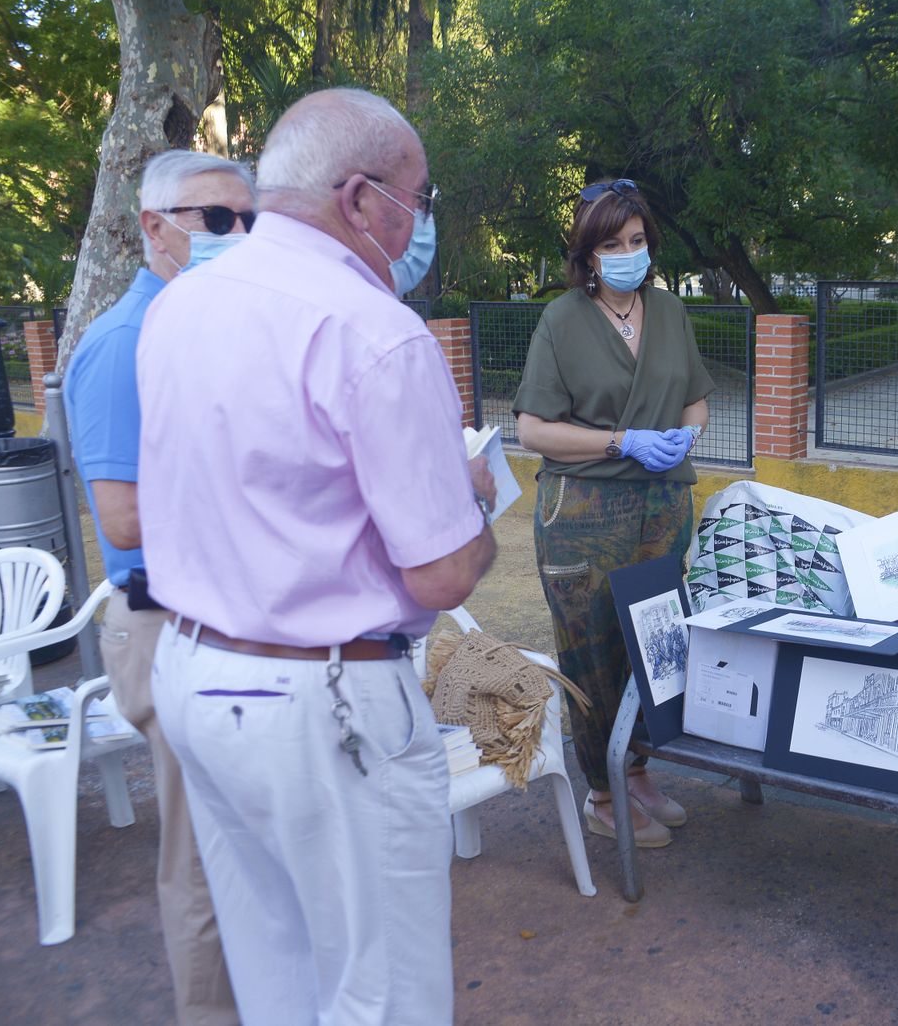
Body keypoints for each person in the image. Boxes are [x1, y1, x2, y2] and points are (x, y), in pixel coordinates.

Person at [135, 88, 496, 1024]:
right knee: (383, 995)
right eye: (419, 198)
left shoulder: (181, 304)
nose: (421, 224)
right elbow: (443, 574)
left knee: (276, 973)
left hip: (195, 671)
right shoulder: (374, 330)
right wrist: (471, 501)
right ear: (362, 198)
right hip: (324, 702)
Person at [66, 149, 249, 1026]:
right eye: (217, 219)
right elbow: (126, 518)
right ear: (154, 226)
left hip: (220, 621)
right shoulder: (122, 344)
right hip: (163, 625)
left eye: (250, 219)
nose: (238, 234)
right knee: (204, 856)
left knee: (245, 845)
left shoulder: (206, 328)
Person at [514, 177, 713, 848]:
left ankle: (639, 770)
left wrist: (686, 436)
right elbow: (533, 430)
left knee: (654, 647)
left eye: (636, 241)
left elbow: (695, 399)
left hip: (660, 508)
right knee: (593, 655)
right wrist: (621, 441)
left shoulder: (670, 312)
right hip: (583, 515)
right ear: (587, 254)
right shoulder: (562, 321)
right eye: (612, 245)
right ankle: (602, 791)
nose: (628, 254)